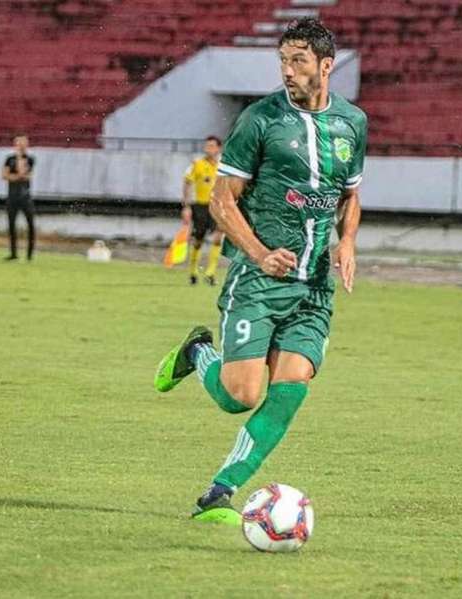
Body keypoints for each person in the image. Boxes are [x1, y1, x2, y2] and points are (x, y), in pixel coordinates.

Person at [154, 17, 367, 522]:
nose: (288, 71)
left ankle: (220, 492)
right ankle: (198, 350)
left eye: (298, 61)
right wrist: (258, 253)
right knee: (240, 397)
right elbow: (222, 202)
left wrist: (348, 240)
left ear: (326, 65)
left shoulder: (352, 123)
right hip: (259, 280)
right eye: (283, 61)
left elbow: (351, 194)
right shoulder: (260, 120)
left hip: (314, 287)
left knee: (292, 385)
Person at [182, 136, 223, 285]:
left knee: (218, 237)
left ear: (218, 148)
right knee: (198, 239)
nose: (208, 149)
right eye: (207, 146)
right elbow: (187, 183)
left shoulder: (222, 166)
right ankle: (193, 271)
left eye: (212, 146)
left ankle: (210, 273)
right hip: (200, 206)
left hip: (217, 206)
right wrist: (186, 207)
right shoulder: (197, 164)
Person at [1, 135, 36, 261]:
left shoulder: (30, 159)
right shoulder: (9, 159)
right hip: (12, 197)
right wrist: (16, 176)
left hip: (25, 197)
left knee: (31, 225)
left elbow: (25, 174)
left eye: (23, 143)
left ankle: (29, 254)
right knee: (11, 225)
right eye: (18, 143)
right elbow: (4, 175)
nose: (21, 145)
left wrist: (15, 174)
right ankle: (13, 253)